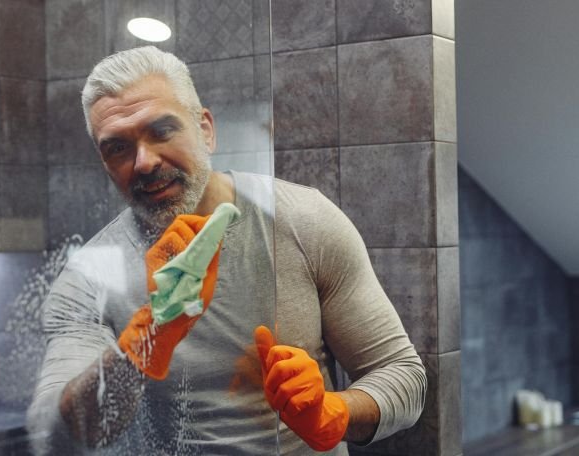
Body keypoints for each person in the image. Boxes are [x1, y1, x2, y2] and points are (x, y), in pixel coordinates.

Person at [28, 46, 426, 455]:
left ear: (206, 130)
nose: (144, 162)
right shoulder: (89, 278)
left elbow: (404, 376)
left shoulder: (303, 219)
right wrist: (147, 340)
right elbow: (54, 437)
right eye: (117, 148)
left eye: (162, 130)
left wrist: (334, 412)